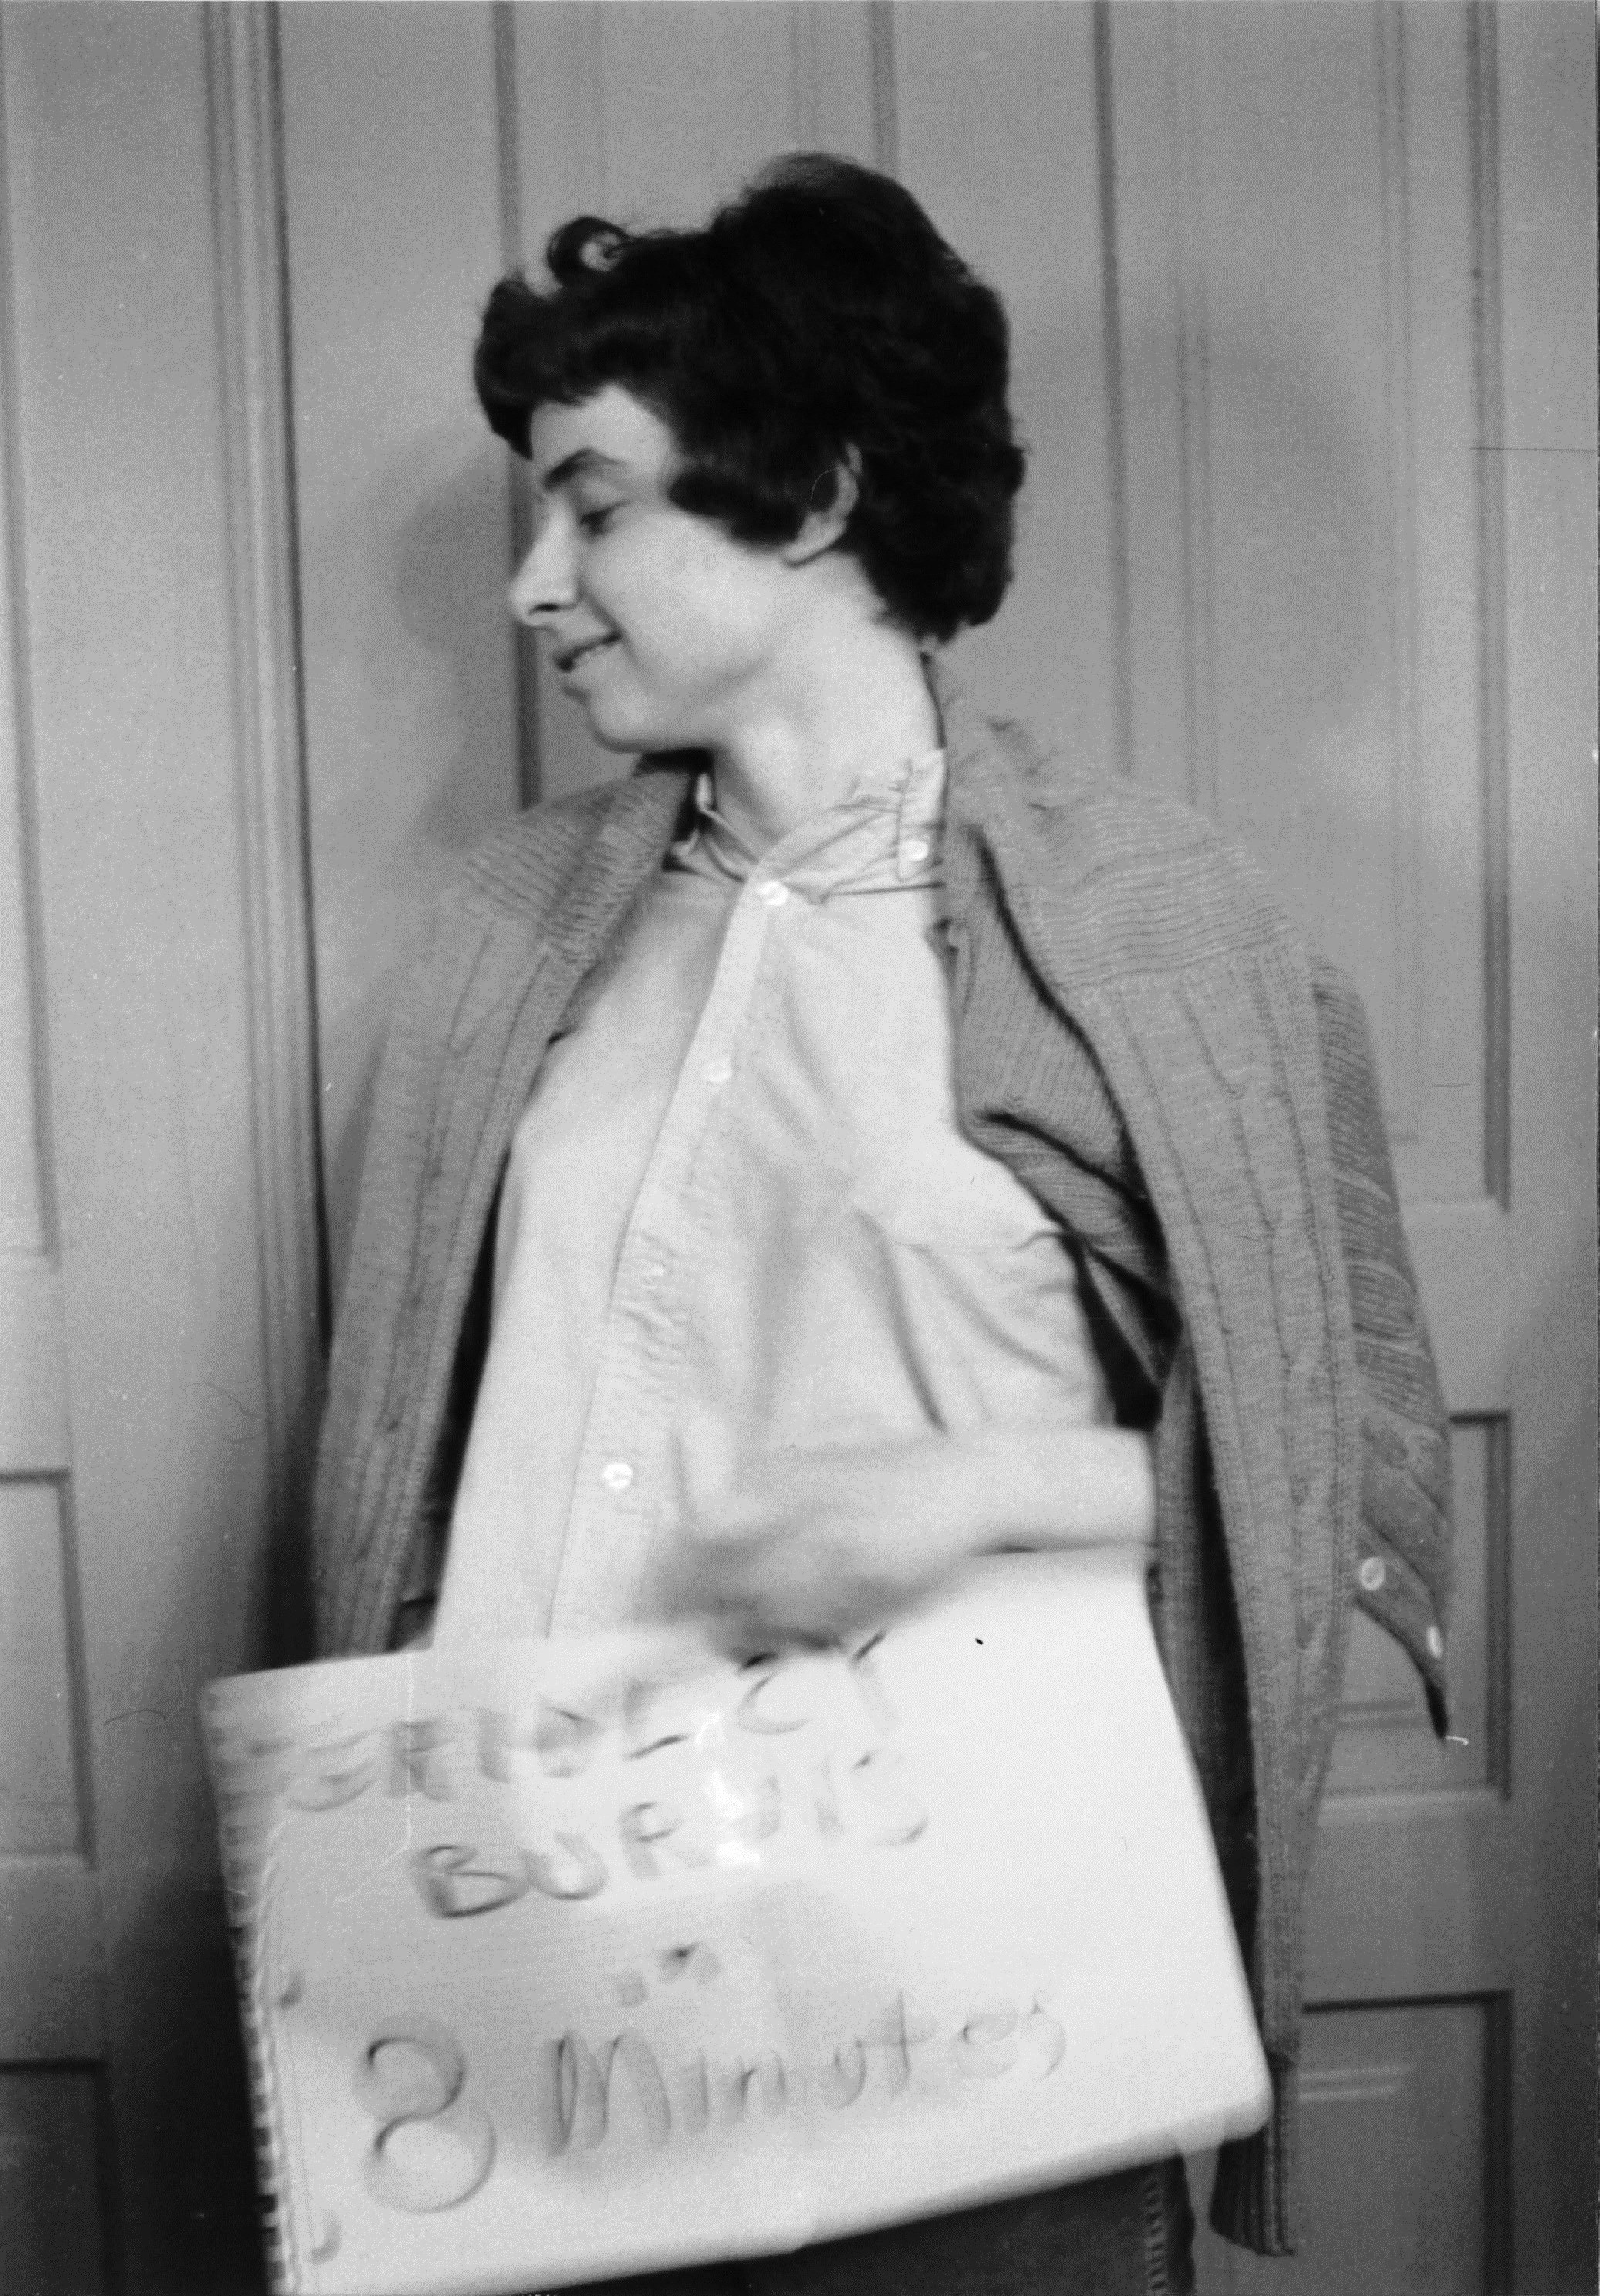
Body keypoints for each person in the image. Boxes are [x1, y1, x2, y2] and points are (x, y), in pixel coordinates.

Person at [311, 154, 1451, 2294]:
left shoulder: (1162, 942)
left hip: (962, 2015)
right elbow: (422, 1456)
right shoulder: (509, 941)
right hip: (534, 1994)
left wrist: (967, 1495)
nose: (534, 586)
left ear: (818, 491)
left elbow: (1354, 1476)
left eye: (592, 506)